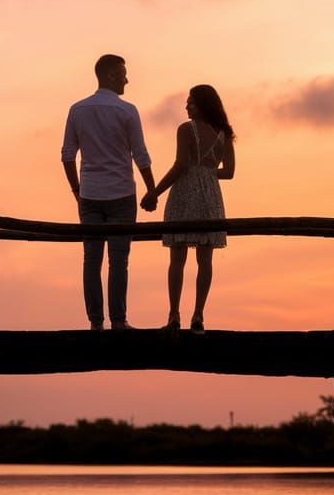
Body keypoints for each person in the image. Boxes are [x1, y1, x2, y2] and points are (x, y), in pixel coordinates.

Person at [61, 54, 157, 330]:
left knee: (91, 260)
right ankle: (118, 321)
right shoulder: (127, 111)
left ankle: (95, 322)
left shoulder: (77, 110)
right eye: (123, 75)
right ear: (111, 76)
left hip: (90, 194)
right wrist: (151, 189)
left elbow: (68, 155)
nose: (127, 80)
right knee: (118, 261)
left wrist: (77, 190)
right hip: (122, 194)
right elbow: (140, 155)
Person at [141, 85, 235, 331]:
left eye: (191, 102)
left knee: (177, 257)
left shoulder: (186, 129)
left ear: (203, 105)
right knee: (205, 258)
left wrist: (154, 192)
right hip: (211, 196)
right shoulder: (224, 133)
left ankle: (174, 315)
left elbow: (181, 165)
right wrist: (207, 174)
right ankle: (198, 315)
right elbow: (229, 172)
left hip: (184, 193)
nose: (186, 107)